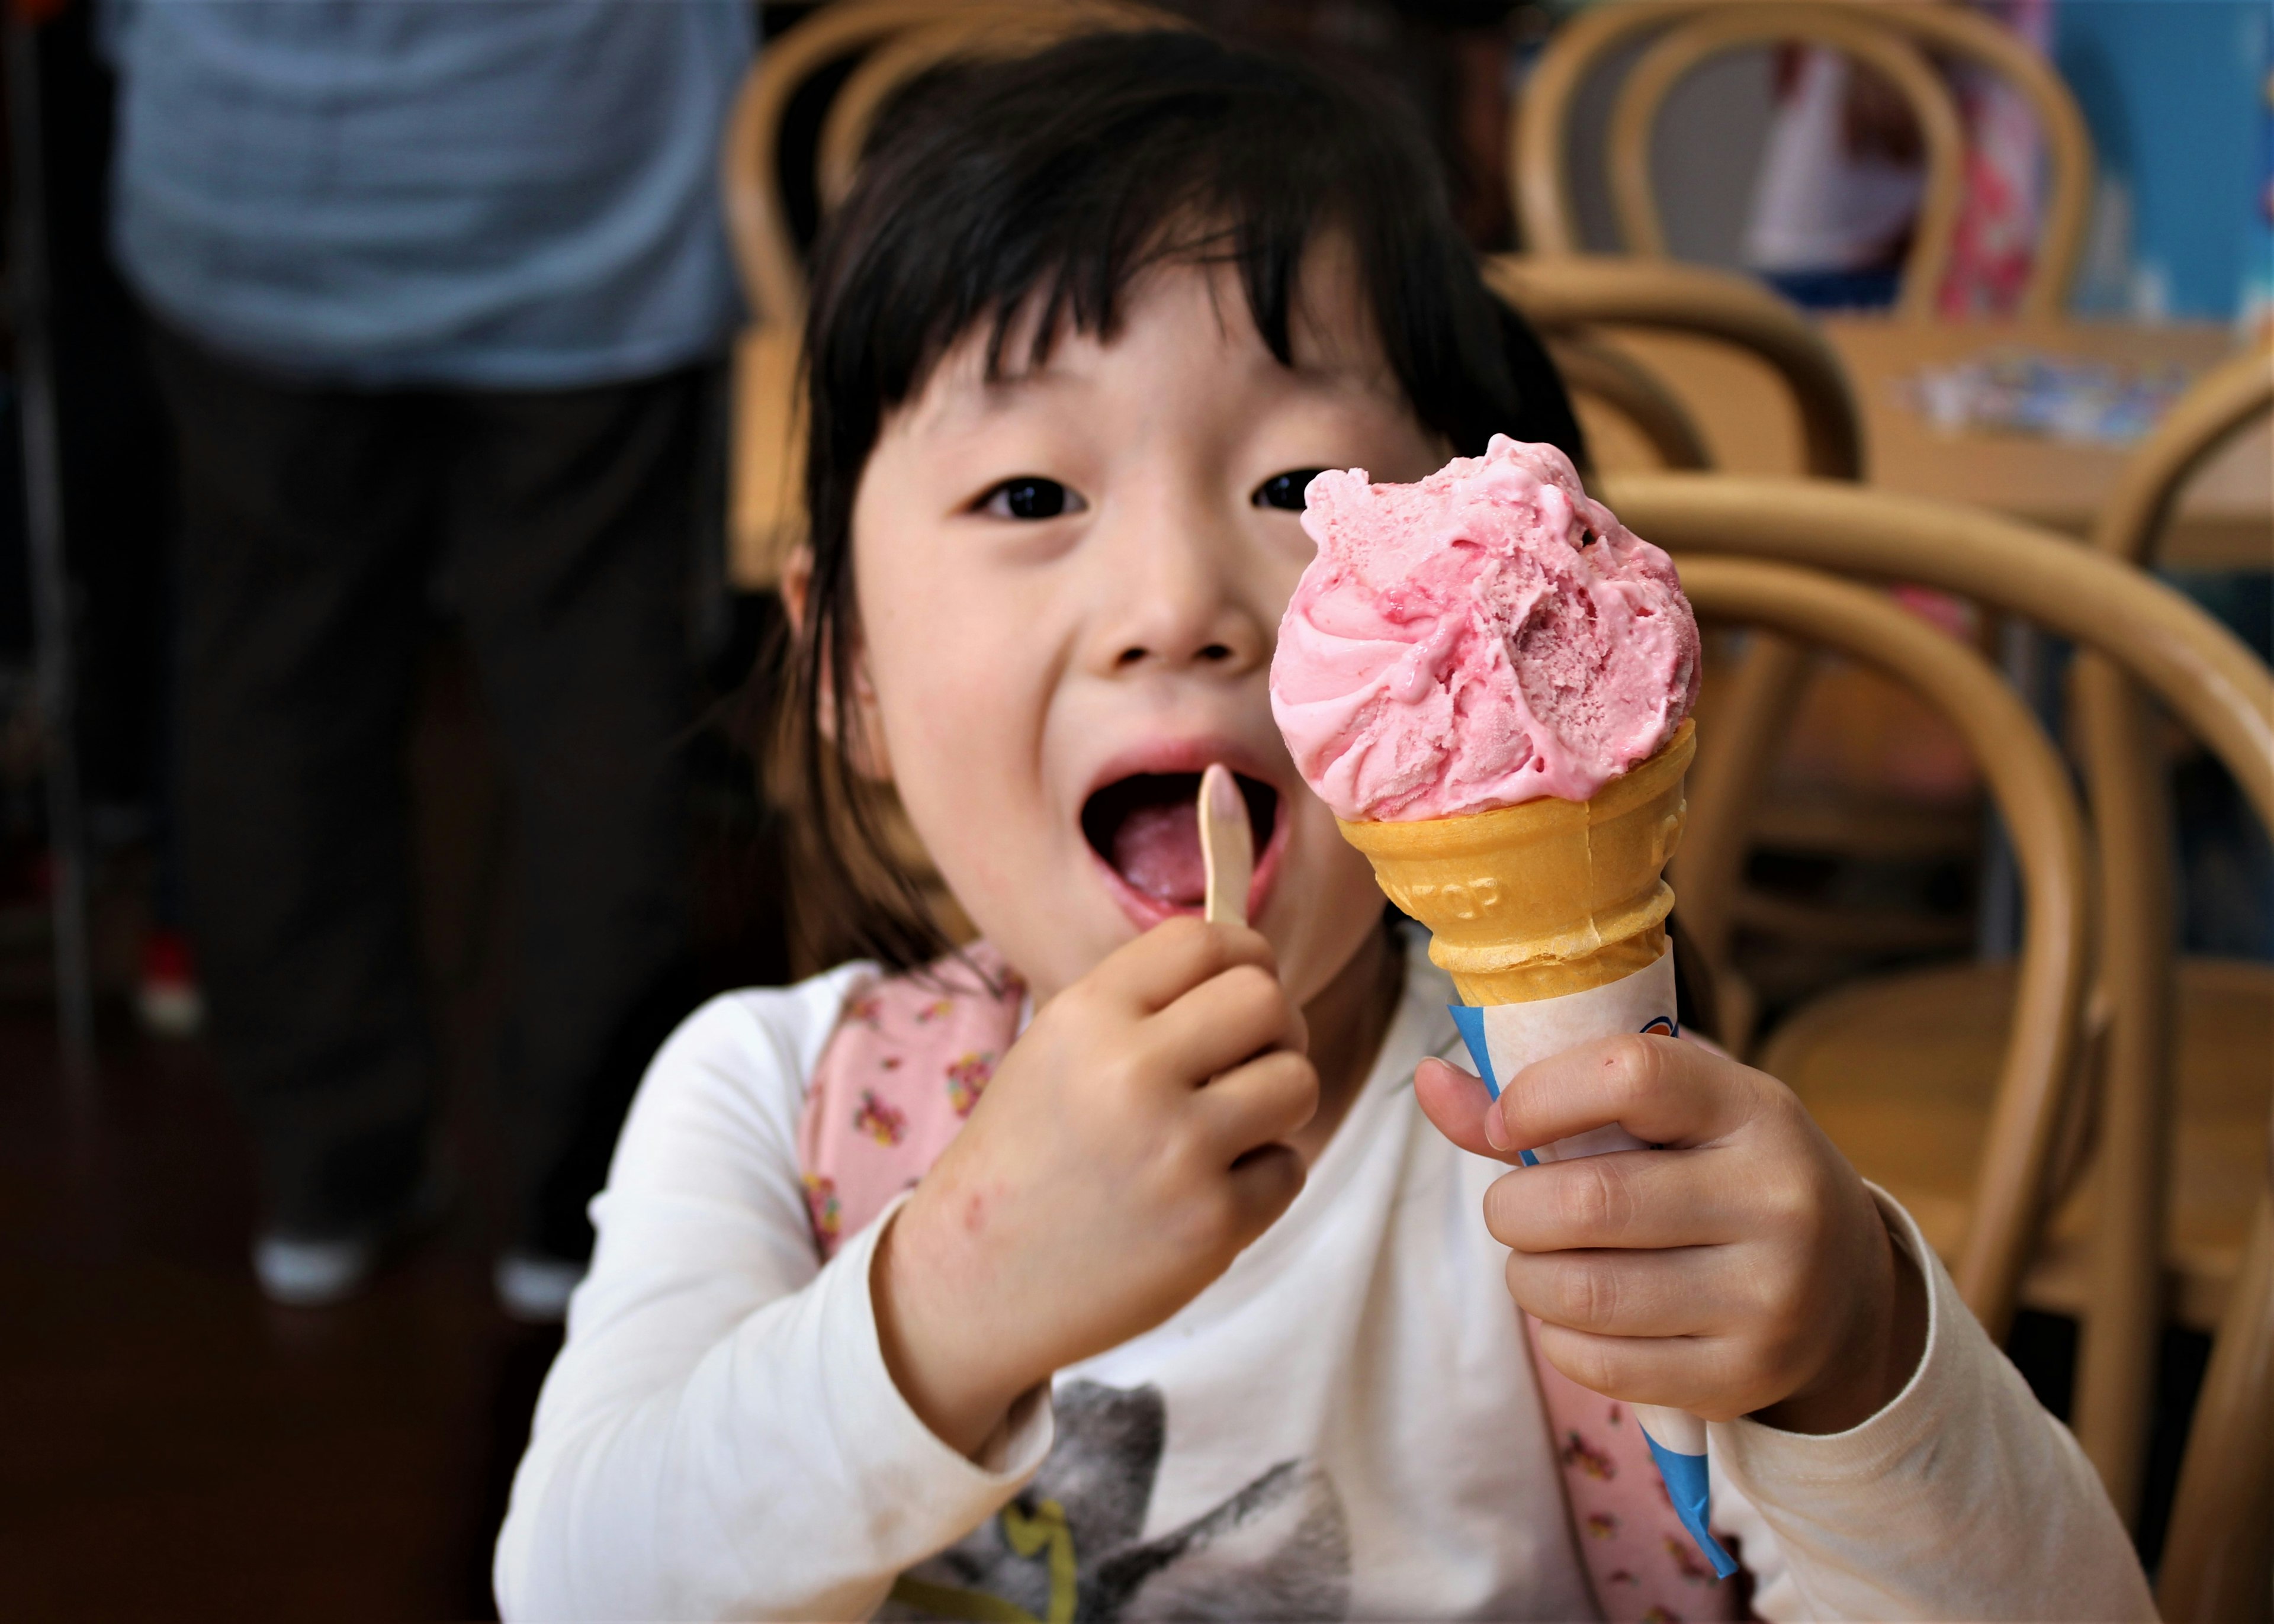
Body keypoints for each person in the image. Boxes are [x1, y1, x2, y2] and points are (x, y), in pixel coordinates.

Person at [495, 32, 2150, 1620]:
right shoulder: (771, 1110)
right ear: (842, 658)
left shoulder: (1607, 1170)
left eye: (1297, 490)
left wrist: (1857, 1355)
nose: (1175, 606)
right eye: (1029, 496)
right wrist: (946, 1305)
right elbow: (578, 1591)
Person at [102, 1, 754, 1315]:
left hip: (252, 177)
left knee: (274, 683)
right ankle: (579, 1207)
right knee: (596, 696)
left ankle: (324, 1176)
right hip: (577, 177)